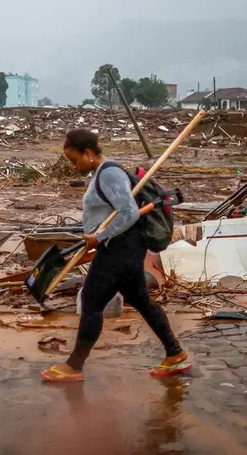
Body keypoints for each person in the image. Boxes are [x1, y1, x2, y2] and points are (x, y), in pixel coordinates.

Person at [40, 129, 189, 383]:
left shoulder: (109, 173)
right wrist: (94, 237)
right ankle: (174, 353)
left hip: (120, 249)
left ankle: (74, 366)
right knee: (141, 300)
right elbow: (112, 212)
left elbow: (129, 212)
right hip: (124, 248)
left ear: (88, 153)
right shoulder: (102, 173)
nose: (74, 166)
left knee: (91, 301)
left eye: (74, 160)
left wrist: (100, 236)